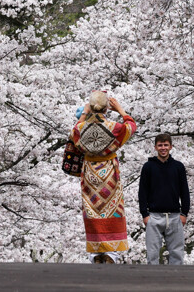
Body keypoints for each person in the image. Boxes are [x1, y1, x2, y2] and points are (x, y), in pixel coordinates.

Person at [69, 90, 137, 264]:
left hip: (89, 172)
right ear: (107, 107)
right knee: (111, 208)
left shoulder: (80, 128)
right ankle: (111, 252)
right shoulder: (114, 128)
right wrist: (121, 110)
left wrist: (84, 113)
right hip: (109, 174)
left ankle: (96, 251)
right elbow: (131, 127)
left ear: (90, 107)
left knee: (92, 211)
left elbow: (73, 134)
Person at [138, 133, 190, 265]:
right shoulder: (148, 167)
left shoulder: (178, 167)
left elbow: (184, 191)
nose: (163, 148)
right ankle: (152, 284)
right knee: (152, 254)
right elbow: (142, 191)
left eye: (166, 145)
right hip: (154, 216)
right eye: (160, 145)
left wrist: (184, 213)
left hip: (174, 216)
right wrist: (145, 214)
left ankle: (176, 283)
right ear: (155, 147)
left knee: (177, 254)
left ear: (171, 146)